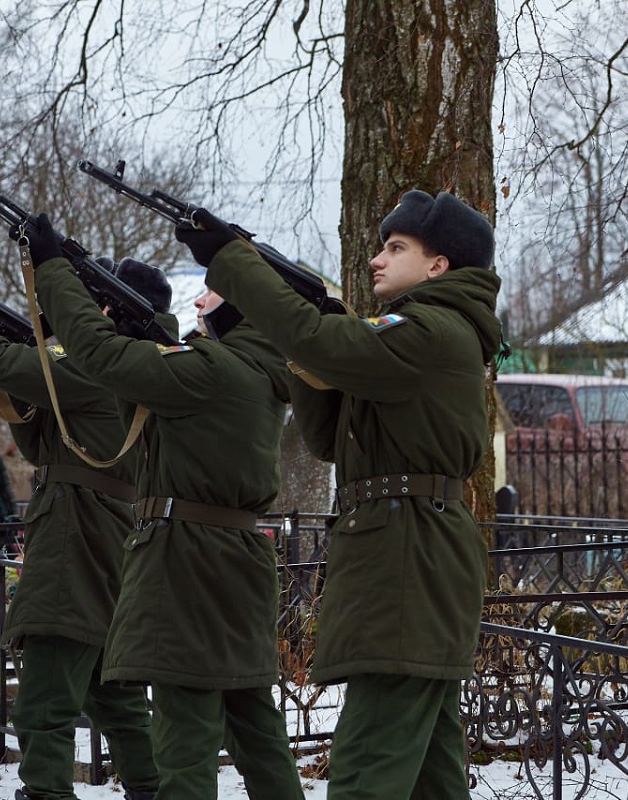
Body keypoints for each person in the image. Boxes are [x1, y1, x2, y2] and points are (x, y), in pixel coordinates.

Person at [175, 190, 502, 799]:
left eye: (396, 247)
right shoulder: (413, 335)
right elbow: (328, 434)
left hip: (410, 557)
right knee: (430, 774)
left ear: (439, 265)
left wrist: (238, 266)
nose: (378, 259)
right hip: (407, 552)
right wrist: (305, 328)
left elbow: (329, 346)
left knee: (364, 771)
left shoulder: (430, 329)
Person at [14, 214, 306, 800]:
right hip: (237, 562)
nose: (200, 301)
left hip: (189, 564)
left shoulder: (213, 370)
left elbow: (96, 354)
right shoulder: (254, 371)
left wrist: (51, 269)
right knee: (254, 725)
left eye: (217, 289)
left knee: (185, 738)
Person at [0, 251, 168, 800]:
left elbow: (4, 366)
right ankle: (153, 790)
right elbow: (39, 436)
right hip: (105, 537)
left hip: (76, 539)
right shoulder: (143, 364)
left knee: (45, 697)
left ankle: (47, 792)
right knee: (112, 696)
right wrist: (33, 337)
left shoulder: (102, 363)